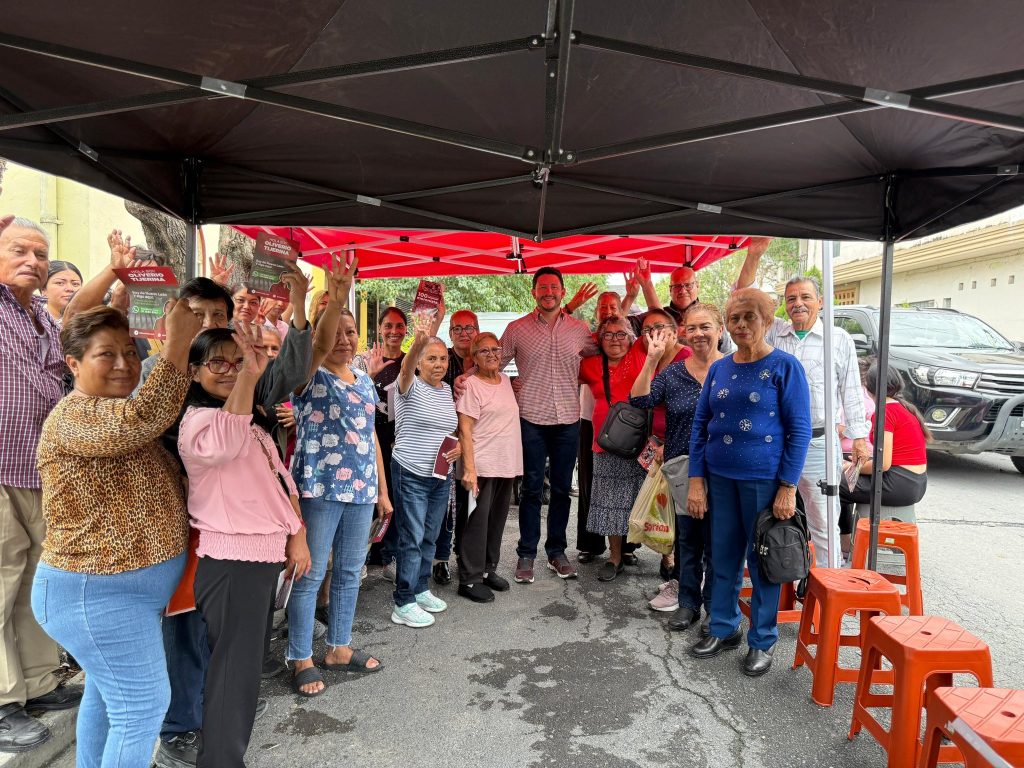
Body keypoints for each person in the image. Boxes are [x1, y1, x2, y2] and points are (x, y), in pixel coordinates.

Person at [33, 301, 200, 766]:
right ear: (73, 364)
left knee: (109, 700)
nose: (125, 364)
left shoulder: (115, 411)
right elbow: (143, 419)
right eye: (107, 354)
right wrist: (179, 344)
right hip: (97, 598)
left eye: (131, 350)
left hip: (120, 599)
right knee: (142, 705)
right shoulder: (77, 416)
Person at [177, 323, 311, 766]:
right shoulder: (200, 421)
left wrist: (297, 533)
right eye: (217, 362)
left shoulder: (247, 422)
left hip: (258, 558)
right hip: (234, 561)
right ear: (194, 371)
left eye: (237, 361)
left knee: (242, 671)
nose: (230, 370)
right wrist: (251, 374)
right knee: (234, 675)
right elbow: (224, 444)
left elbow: (280, 478)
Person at [687, 288, 811, 677]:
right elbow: (699, 425)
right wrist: (696, 479)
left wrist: (788, 487)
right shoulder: (720, 368)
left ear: (767, 321)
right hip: (720, 478)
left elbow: (800, 430)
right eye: (735, 318)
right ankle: (723, 628)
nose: (741, 325)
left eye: (749, 317)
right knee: (722, 558)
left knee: (762, 564)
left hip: (764, 482)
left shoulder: (784, 368)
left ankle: (762, 639)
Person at [287, 255, 393, 696]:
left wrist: (383, 493)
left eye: (352, 332)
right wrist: (339, 296)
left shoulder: (364, 378)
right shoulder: (308, 375)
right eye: (338, 332)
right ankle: (300, 655)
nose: (345, 340)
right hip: (320, 486)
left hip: (362, 488)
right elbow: (316, 344)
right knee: (310, 573)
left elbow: (369, 438)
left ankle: (338, 646)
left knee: (350, 570)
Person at [0, 216, 83, 754]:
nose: (32, 260)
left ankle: (35, 683)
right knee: (0, 580)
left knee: (34, 577)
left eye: (40, 252)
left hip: (38, 467)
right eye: (19, 250)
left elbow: (60, 372)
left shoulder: (36, 316)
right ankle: (3, 698)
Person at [737, 243, 870, 567]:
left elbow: (851, 391)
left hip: (818, 444)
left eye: (805, 297)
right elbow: (742, 298)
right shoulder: (773, 334)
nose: (798, 304)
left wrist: (860, 438)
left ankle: (825, 595)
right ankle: (777, 585)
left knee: (823, 523)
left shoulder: (838, 339)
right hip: (772, 443)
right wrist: (753, 255)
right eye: (791, 298)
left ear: (820, 302)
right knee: (765, 519)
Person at [496, 267, 598, 584]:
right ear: (534, 293)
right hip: (530, 420)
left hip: (569, 418)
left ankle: (556, 551)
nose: (548, 292)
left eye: (554, 286)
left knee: (562, 490)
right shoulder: (516, 329)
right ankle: (526, 553)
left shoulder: (581, 330)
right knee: (530, 488)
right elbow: (492, 362)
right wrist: (506, 382)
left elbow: (607, 356)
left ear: (563, 292)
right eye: (542, 287)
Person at [630, 304, 723, 630]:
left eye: (706, 327)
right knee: (688, 539)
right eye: (693, 328)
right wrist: (652, 360)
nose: (699, 334)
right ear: (684, 333)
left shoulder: (732, 369)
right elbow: (640, 399)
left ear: (720, 330)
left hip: (726, 468)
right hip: (684, 467)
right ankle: (687, 603)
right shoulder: (674, 372)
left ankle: (715, 608)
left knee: (719, 543)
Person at [390, 322, 460, 628]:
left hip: (439, 475)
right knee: (412, 536)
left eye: (442, 359)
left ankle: (420, 588)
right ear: (418, 362)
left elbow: (449, 428)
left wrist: (457, 448)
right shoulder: (406, 385)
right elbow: (405, 368)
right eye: (431, 358)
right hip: (411, 471)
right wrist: (418, 341)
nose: (439, 364)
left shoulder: (446, 390)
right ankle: (403, 601)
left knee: (430, 535)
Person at [577, 317, 648, 582]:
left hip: (643, 442)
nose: (615, 339)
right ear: (599, 339)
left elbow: (658, 322)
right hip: (605, 444)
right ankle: (614, 556)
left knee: (651, 498)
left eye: (621, 334)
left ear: (632, 338)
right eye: (607, 335)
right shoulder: (591, 365)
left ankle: (668, 556)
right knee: (610, 503)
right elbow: (560, 370)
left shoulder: (641, 352)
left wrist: (637, 289)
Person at [455, 332, 522, 602]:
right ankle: (469, 579)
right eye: (484, 351)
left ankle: (487, 570)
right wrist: (469, 469)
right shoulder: (470, 385)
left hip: (506, 463)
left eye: (496, 349)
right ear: (474, 357)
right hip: (481, 464)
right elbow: (465, 429)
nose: (492, 354)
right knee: (476, 522)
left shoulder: (505, 380)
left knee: (496, 521)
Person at [840, 363, 929, 515]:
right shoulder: (903, 407)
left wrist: (850, 467)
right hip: (916, 482)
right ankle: (847, 536)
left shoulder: (884, 413)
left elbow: (882, 464)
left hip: (899, 483)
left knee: (834, 484)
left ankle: (844, 537)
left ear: (869, 388)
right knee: (845, 480)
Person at [432, 309, 479, 586]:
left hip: (478, 443)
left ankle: (466, 556)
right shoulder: (442, 359)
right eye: (457, 329)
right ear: (450, 334)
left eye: (469, 328)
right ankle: (440, 560)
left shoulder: (485, 359)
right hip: (446, 442)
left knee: (470, 504)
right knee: (447, 505)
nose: (463, 333)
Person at [367, 307, 408, 575]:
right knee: (371, 494)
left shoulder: (410, 361)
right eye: (388, 326)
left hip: (401, 438)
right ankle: (368, 550)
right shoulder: (366, 360)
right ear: (380, 329)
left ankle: (388, 554)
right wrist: (370, 374)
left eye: (399, 326)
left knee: (395, 494)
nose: (394, 331)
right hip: (371, 436)